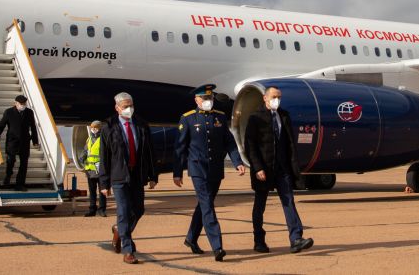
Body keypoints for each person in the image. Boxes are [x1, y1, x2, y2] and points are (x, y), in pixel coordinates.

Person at [173, 84, 245, 261]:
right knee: (207, 206)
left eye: (210, 98)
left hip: (216, 168)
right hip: (198, 168)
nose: (208, 101)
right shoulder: (188, 118)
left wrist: (237, 162)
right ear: (196, 100)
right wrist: (177, 172)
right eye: (204, 98)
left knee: (204, 205)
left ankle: (191, 238)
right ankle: (217, 246)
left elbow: (229, 142)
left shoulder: (220, 117)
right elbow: (180, 148)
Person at [244, 86, 314, 254]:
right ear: (265, 98)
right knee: (260, 205)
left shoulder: (284, 115)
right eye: (274, 97)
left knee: (288, 201)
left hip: (282, 168)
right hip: (264, 169)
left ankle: (296, 238)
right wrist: (257, 168)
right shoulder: (255, 118)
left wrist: (293, 166)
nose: (277, 100)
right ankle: (259, 240)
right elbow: (250, 145)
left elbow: (289, 143)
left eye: (279, 97)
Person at [99, 92, 157, 265]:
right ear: (117, 108)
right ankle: (128, 250)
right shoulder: (108, 127)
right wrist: (104, 183)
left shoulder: (141, 125)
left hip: (137, 174)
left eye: (131, 105)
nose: (129, 109)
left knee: (138, 210)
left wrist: (153, 175)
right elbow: (104, 157)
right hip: (119, 175)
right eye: (125, 106)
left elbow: (149, 152)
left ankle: (119, 230)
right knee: (123, 211)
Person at [0, 95, 39, 191]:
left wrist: (35, 141)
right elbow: (1, 125)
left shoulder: (29, 112)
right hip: (12, 141)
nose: (23, 105)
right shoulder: (9, 112)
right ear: (16, 103)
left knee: (24, 164)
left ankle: (20, 184)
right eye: (21, 104)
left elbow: (33, 127)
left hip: (25, 141)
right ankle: (8, 175)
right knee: (11, 160)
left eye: (24, 104)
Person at [78, 120, 107, 217]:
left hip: (100, 169)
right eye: (92, 127)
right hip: (90, 170)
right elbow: (86, 150)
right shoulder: (89, 139)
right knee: (92, 191)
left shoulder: (103, 139)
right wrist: (82, 157)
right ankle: (92, 209)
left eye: (95, 127)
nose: (93, 129)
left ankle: (102, 210)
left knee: (102, 191)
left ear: (99, 128)